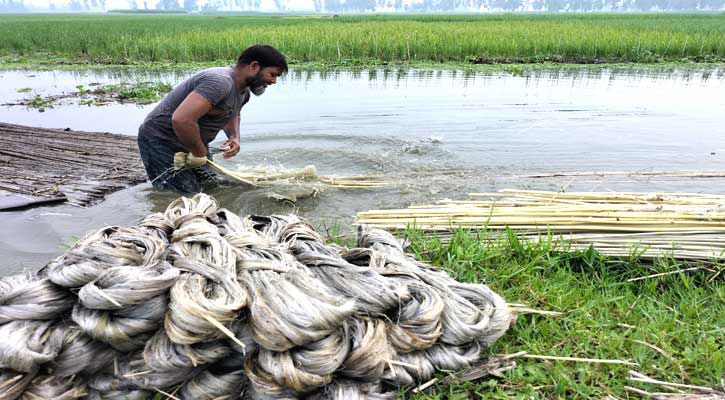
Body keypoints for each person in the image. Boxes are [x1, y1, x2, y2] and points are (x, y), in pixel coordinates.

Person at [137, 44, 287, 193]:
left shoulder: (244, 92)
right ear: (254, 66)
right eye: (272, 75)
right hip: (161, 139)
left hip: (192, 142)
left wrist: (234, 136)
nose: (274, 81)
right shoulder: (219, 82)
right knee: (182, 194)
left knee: (212, 187)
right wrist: (199, 153)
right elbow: (182, 120)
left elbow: (233, 113)